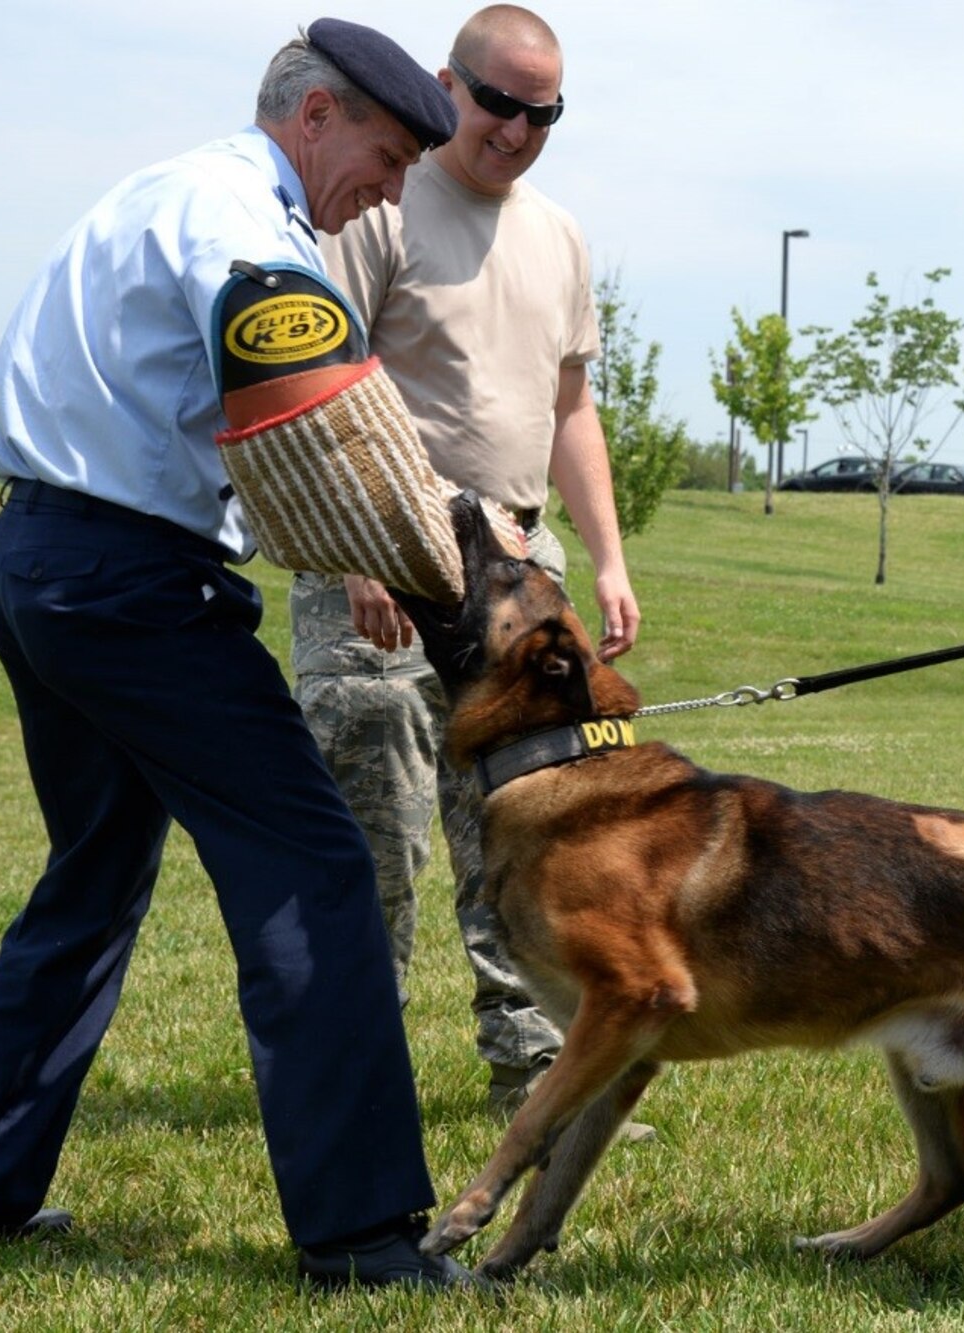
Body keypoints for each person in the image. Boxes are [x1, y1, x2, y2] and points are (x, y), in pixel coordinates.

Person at [0, 20, 477, 1289]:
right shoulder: (245, 228)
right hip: (131, 586)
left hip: (41, 559)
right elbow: (320, 425)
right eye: (383, 154)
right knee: (315, 863)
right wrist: (449, 565)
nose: (390, 188)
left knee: (91, 881)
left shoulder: (162, 189)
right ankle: (365, 1236)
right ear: (314, 116)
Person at [290, 4, 644, 1122]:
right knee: (374, 834)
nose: (516, 129)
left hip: (515, 565)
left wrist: (604, 559)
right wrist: (355, 548)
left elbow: (569, 405)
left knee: (532, 825)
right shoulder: (381, 204)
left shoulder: (559, 233)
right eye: (496, 102)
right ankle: (355, 1075)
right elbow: (323, 379)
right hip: (385, 556)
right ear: (448, 84)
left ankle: (536, 1069)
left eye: (543, 112)